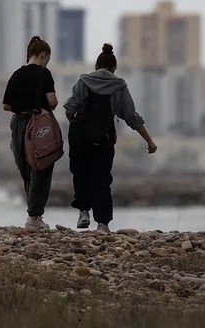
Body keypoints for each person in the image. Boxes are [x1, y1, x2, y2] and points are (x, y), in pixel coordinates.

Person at [63, 44, 157, 233]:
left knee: (81, 174)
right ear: (114, 69)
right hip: (103, 140)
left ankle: (83, 212)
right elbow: (132, 117)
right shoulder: (119, 86)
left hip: (80, 139)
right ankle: (103, 224)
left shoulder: (83, 81)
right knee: (102, 179)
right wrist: (149, 140)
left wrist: (74, 123)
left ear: (97, 65)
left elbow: (70, 108)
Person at [2, 36, 59, 230]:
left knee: (26, 168)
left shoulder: (16, 74)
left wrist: (22, 105)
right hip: (37, 125)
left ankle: (33, 215)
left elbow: (6, 105)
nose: (47, 62)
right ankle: (34, 218)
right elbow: (52, 102)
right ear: (43, 55)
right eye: (47, 59)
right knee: (42, 165)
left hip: (18, 123)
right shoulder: (44, 73)